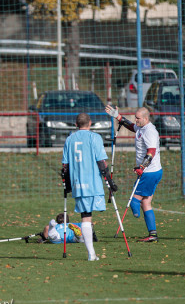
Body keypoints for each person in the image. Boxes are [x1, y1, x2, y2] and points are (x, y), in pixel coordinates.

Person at [62, 113, 117, 261]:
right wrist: (110, 182)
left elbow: (65, 166)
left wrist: (67, 184)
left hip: (78, 184)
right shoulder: (95, 137)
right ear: (90, 123)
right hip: (93, 184)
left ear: (76, 124)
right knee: (88, 216)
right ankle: (91, 254)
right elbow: (101, 162)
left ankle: (91, 253)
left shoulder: (69, 139)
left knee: (86, 216)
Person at [105, 105, 162, 242]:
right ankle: (152, 234)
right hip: (152, 172)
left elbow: (151, 152)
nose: (135, 120)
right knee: (146, 203)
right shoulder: (141, 127)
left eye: (138, 118)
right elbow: (132, 127)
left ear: (146, 118)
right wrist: (118, 117)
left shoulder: (150, 132)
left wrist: (142, 167)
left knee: (134, 202)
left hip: (149, 172)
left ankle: (137, 215)